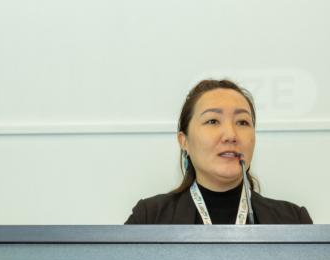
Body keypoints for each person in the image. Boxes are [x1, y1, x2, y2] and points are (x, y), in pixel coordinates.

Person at [125, 79, 313, 225]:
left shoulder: (293, 220)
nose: (231, 135)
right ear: (184, 141)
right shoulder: (149, 218)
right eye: (213, 121)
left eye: (242, 122)